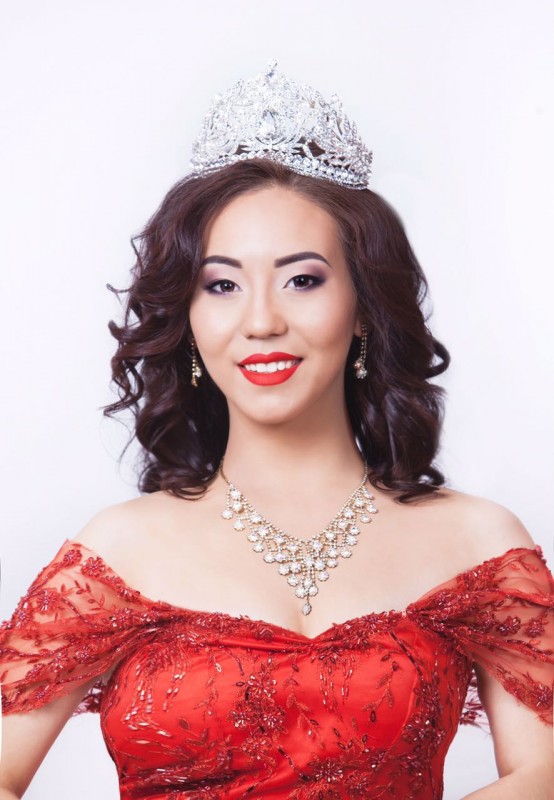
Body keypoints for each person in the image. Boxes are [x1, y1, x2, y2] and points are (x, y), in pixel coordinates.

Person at [0, 63, 552, 800]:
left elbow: (544, 774)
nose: (260, 320)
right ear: (189, 317)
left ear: (363, 307)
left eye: (302, 279)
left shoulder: (478, 544)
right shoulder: (118, 551)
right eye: (222, 285)